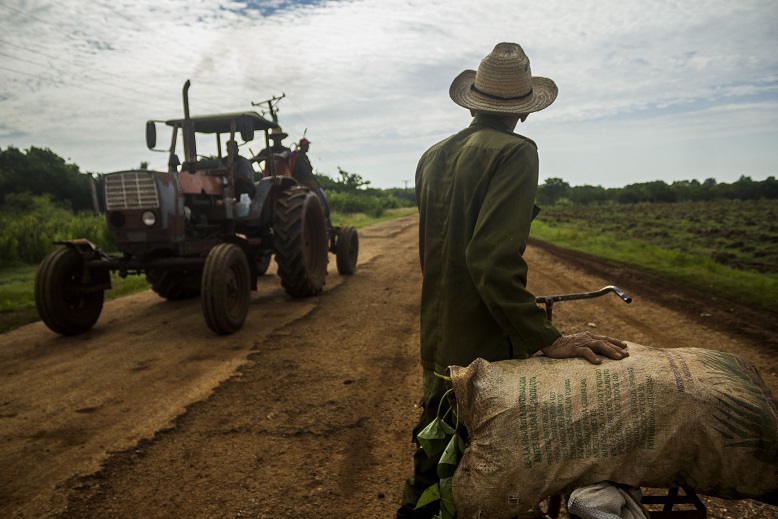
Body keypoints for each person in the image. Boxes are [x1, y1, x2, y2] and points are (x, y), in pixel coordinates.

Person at [397, 42, 629, 519]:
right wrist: (548, 338)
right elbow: (489, 259)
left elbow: (448, 253)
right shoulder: (516, 153)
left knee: (436, 450)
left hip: (438, 335)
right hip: (482, 342)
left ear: (473, 101)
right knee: (491, 462)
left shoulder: (432, 156)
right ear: (523, 112)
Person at [292, 137, 332, 228]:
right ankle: (324, 222)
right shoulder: (298, 157)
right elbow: (301, 172)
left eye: (308, 146)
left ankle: (327, 223)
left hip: (311, 182)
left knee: (323, 199)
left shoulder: (303, 157)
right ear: (302, 146)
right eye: (306, 146)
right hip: (306, 183)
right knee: (321, 201)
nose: (308, 147)